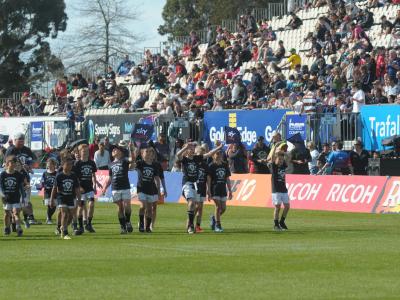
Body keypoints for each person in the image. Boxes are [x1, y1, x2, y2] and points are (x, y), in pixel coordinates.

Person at [176, 141, 223, 234]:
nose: (192, 149)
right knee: (191, 202)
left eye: (193, 148)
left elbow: (209, 154)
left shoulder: (197, 158)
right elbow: (178, 154)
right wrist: (185, 147)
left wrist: (219, 147)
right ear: (186, 150)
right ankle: (190, 226)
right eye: (190, 148)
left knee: (196, 206)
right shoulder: (185, 159)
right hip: (187, 183)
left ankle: (191, 224)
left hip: (196, 185)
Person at [101, 145, 133, 234]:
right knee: (120, 208)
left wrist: (131, 150)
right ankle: (123, 227)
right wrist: (104, 188)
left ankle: (128, 221)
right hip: (115, 188)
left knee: (127, 206)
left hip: (125, 187)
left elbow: (132, 160)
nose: (114, 150)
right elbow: (110, 178)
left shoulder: (124, 160)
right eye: (113, 150)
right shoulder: (110, 164)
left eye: (116, 149)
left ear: (121, 152)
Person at [50, 158, 81, 240]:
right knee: (64, 213)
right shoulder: (59, 175)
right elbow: (54, 188)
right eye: (67, 164)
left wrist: (79, 199)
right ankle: (65, 232)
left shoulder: (73, 175)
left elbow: (77, 188)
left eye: (71, 164)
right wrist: (51, 199)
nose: (69, 166)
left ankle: (62, 227)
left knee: (71, 216)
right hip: (61, 197)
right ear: (63, 166)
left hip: (71, 197)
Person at [74, 144, 101, 234]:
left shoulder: (91, 163)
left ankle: (88, 224)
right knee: (80, 207)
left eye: (87, 151)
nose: (85, 153)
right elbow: (75, 177)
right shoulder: (77, 164)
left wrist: (95, 184)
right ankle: (81, 226)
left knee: (92, 204)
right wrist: (79, 187)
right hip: (81, 189)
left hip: (89, 188)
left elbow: (93, 175)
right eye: (83, 151)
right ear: (80, 152)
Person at [134, 147, 161, 233]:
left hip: (151, 189)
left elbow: (157, 178)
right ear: (142, 154)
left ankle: (148, 227)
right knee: (143, 206)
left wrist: (159, 190)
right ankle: (141, 223)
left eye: (150, 152)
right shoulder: (140, 163)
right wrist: (133, 150)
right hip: (141, 188)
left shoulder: (154, 165)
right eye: (146, 151)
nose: (148, 153)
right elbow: (133, 162)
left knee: (149, 209)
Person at [0, 156, 28, 236]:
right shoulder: (3, 174)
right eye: (10, 163)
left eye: (13, 163)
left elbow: (21, 187)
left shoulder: (18, 175)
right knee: (7, 214)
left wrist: (23, 196)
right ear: (7, 164)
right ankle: (7, 228)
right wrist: (3, 195)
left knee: (16, 213)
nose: (12, 165)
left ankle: (19, 228)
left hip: (16, 197)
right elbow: (1, 186)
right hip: (7, 197)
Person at [207, 150, 233, 233]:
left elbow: (227, 178)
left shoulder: (225, 165)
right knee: (218, 207)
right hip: (214, 188)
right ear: (213, 156)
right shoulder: (211, 166)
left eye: (220, 154)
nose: (219, 155)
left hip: (222, 189)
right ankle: (218, 225)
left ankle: (213, 218)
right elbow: (209, 179)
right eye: (217, 154)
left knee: (223, 209)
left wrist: (230, 190)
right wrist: (208, 190)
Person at [270, 152, 290, 231]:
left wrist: (284, 153)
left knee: (287, 206)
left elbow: (289, 157)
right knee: (277, 207)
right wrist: (276, 146)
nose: (281, 161)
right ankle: (276, 224)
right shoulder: (273, 166)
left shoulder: (283, 166)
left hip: (283, 189)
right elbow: (272, 156)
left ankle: (282, 222)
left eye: (282, 159)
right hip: (276, 190)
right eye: (279, 159)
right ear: (276, 159)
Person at [39, 158, 57, 225]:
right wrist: (41, 185)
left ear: (54, 165)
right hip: (47, 192)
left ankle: (49, 217)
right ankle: (49, 218)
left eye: (51, 164)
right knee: (50, 205)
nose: (49, 166)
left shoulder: (56, 173)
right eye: (48, 164)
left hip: (55, 192)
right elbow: (42, 182)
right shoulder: (45, 173)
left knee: (54, 206)